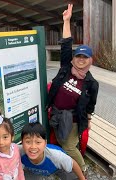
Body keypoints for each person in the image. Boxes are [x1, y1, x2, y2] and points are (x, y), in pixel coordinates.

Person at [46, 4, 99, 174]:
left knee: (69, 146)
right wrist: (66, 21)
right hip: (56, 114)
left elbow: (90, 105)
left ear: (90, 60)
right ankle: (63, 166)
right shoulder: (66, 69)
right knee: (59, 141)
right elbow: (66, 45)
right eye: (78, 56)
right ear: (74, 59)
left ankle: (81, 169)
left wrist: (88, 120)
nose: (81, 59)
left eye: (85, 57)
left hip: (74, 120)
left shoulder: (92, 83)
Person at [20, 122, 85, 180]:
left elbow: (73, 164)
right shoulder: (18, 151)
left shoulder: (56, 156)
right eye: (28, 142)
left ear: (45, 143)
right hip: (32, 170)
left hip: (58, 168)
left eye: (38, 142)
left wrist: (82, 178)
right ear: (22, 143)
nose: (33, 147)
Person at [0, 112, 25, 180]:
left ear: (12, 137)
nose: (1, 142)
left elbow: (19, 169)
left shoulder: (15, 149)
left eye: (5, 137)